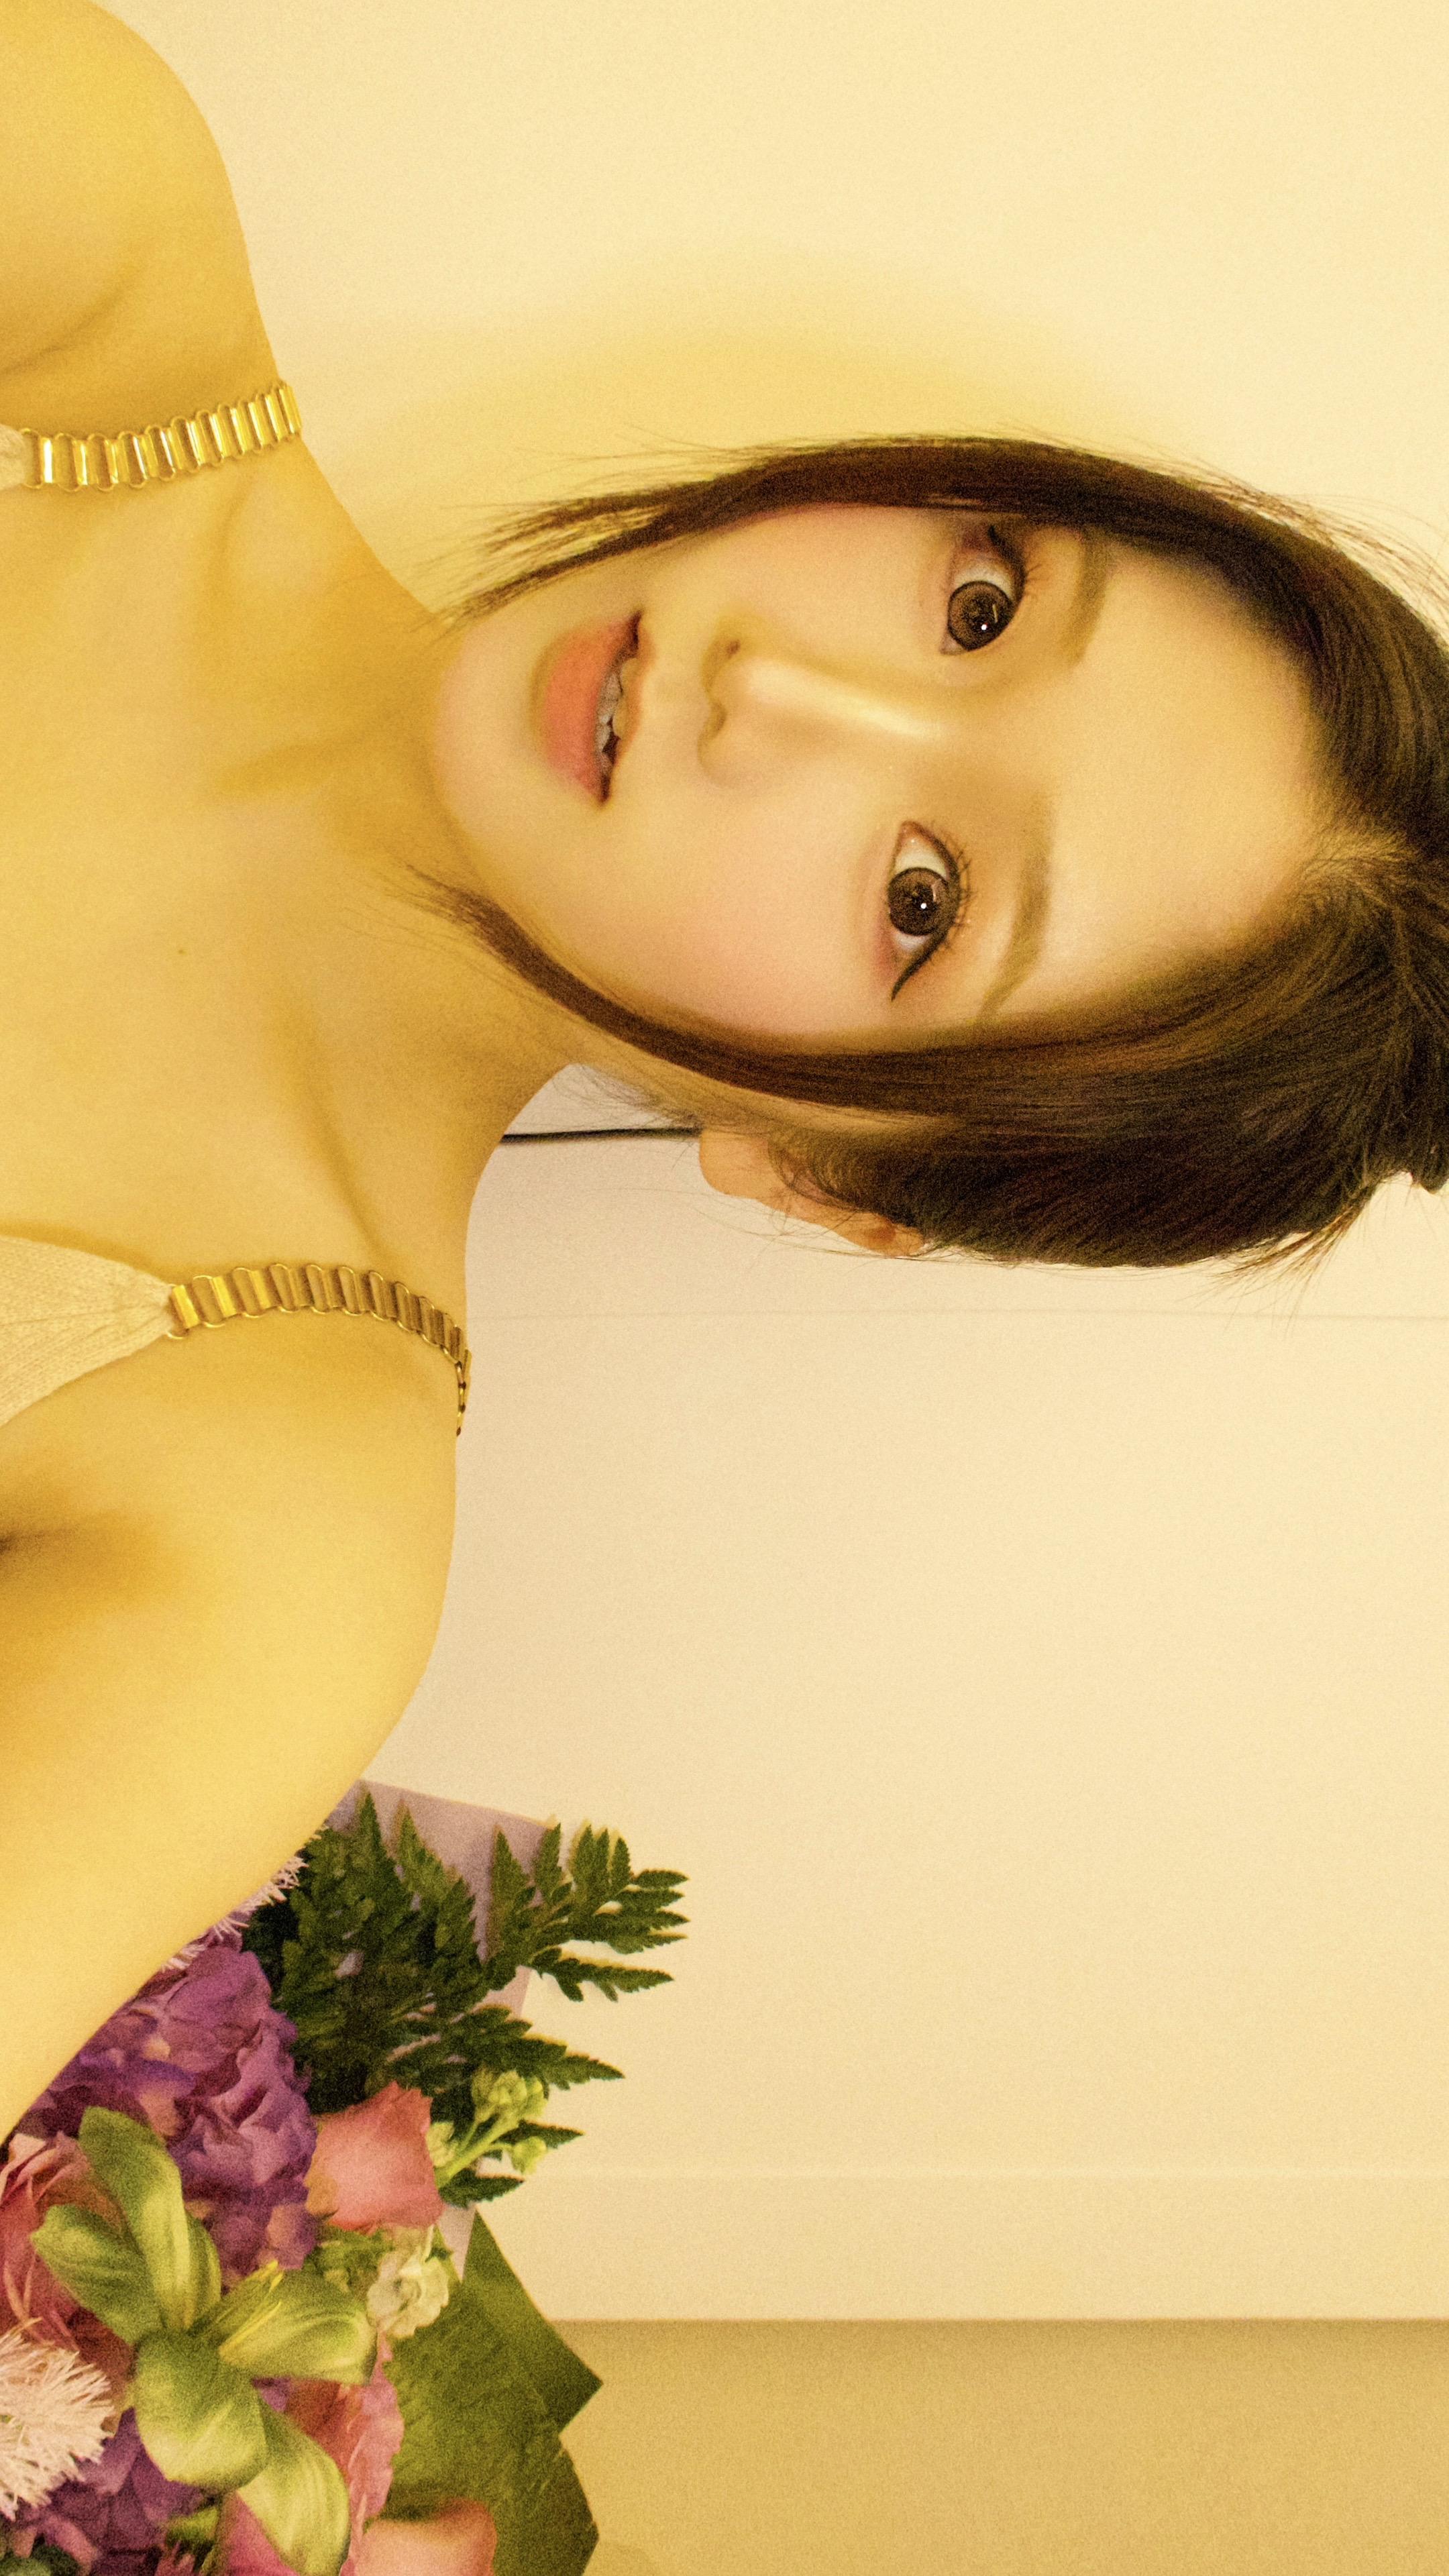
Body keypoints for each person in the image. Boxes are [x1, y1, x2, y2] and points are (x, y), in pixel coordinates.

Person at [1, 0, 1446, 2133]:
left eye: (926, 898)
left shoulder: (267, 1509)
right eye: (979, 606)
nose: (775, 689)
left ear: (828, 1174)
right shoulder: (88, 246)